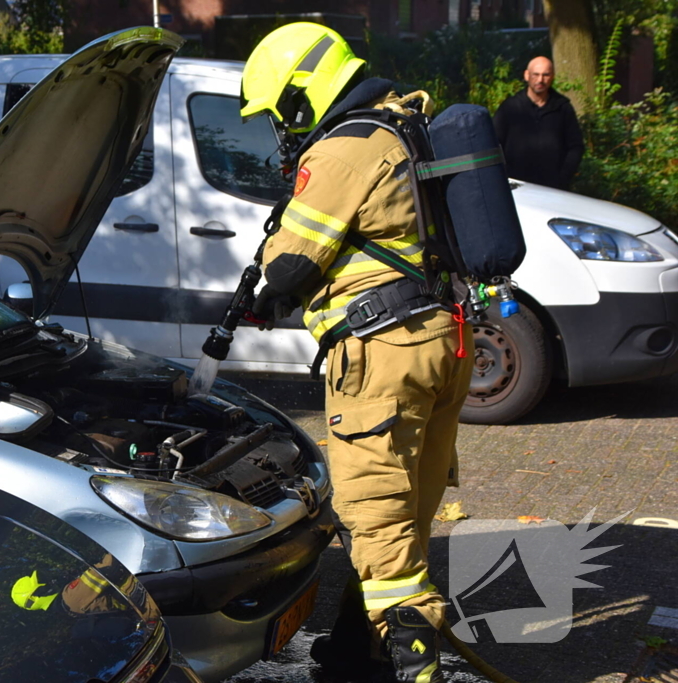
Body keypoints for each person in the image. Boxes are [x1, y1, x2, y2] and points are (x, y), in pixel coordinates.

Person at [241, 22, 474, 683]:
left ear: (301, 95)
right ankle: (354, 653)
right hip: (443, 339)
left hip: (384, 357)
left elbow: (288, 269)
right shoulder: (404, 125)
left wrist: (276, 243)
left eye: (281, 113)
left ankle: (415, 670)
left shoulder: (344, 149)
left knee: (378, 526)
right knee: (403, 518)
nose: (283, 129)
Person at [493, 56, 584, 190]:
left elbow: (576, 147)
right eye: (536, 74)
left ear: (552, 76)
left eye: (545, 75)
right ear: (526, 75)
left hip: (554, 187)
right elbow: (494, 143)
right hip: (516, 186)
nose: (540, 80)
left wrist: (563, 177)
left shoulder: (563, 107)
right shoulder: (510, 107)